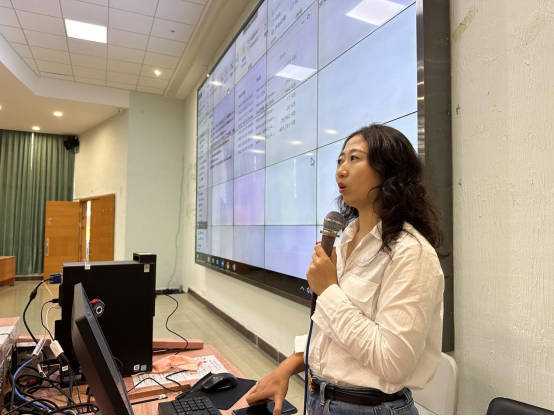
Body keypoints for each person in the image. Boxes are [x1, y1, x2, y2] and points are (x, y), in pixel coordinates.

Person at [246, 124, 446, 415]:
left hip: (371, 409)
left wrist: (328, 290)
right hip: (319, 399)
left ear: (389, 169)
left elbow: (394, 363)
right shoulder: (346, 239)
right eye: (340, 160)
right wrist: (288, 366)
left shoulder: (410, 252)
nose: (341, 170)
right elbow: (334, 333)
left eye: (354, 158)